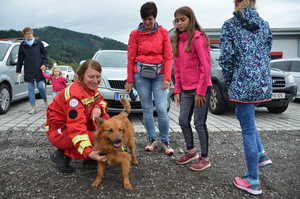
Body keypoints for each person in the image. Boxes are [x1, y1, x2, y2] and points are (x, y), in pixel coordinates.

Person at [219, 0, 273, 195]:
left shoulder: (230, 25)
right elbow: (266, 50)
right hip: (263, 82)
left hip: (242, 82)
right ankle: (260, 155)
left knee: (247, 129)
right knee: (249, 121)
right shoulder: (265, 24)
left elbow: (226, 57)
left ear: (236, 2)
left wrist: (230, 80)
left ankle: (252, 180)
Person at [125, 1, 174, 155]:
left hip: (159, 76)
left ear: (155, 18)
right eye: (145, 19)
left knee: (161, 108)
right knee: (146, 108)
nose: (147, 22)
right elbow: (131, 58)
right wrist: (130, 80)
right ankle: (151, 139)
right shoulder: (135, 34)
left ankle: (165, 140)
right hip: (141, 75)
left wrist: (167, 78)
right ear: (142, 19)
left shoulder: (163, 33)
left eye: (150, 19)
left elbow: (168, 57)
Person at [46, 60, 109, 173]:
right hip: (58, 131)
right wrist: (89, 152)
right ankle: (61, 155)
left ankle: (88, 159)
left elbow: (102, 101)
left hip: (70, 126)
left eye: (98, 76)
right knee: (100, 137)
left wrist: (98, 107)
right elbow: (76, 127)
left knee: (104, 120)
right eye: (91, 77)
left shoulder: (91, 88)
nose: (95, 81)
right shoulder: (74, 96)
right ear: (81, 76)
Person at [172, 7, 212, 171]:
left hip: (201, 89)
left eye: (183, 19)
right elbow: (178, 69)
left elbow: (205, 66)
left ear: (191, 20)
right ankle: (191, 151)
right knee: (182, 121)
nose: (180, 23)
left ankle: (205, 158)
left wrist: (200, 91)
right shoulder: (177, 40)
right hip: (186, 90)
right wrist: (177, 90)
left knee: (199, 123)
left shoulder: (198, 37)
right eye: (177, 20)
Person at [16, 27, 48, 114]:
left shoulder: (38, 43)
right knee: (30, 89)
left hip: (39, 70)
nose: (29, 35)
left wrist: (44, 64)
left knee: (41, 87)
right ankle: (33, 108)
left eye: (30, 33)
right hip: (28, 70)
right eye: (27, 34)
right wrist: (18, 71)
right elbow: (20, 59)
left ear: (32, 33)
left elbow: (45, 55)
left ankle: (46, 102)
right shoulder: (22, 45)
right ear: (24, 35)